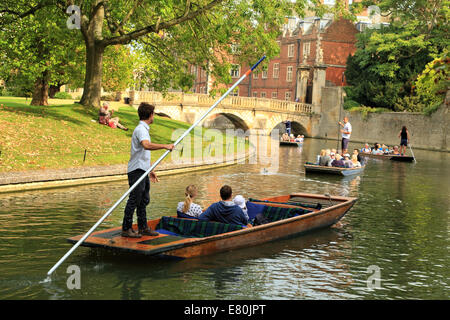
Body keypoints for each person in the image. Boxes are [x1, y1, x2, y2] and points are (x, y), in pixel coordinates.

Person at [121, 102, 175, 238]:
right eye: (153, 114)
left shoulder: (144, 129)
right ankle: (126, 228)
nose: (154, 117)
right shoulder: (141, 129)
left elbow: (143, 153)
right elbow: (146, 145)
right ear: (150, 115)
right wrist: (165, 146)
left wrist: (150, 169)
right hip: (136, 170)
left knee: (144, 199)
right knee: (134, 199)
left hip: (143, 169)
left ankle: (143, 227)